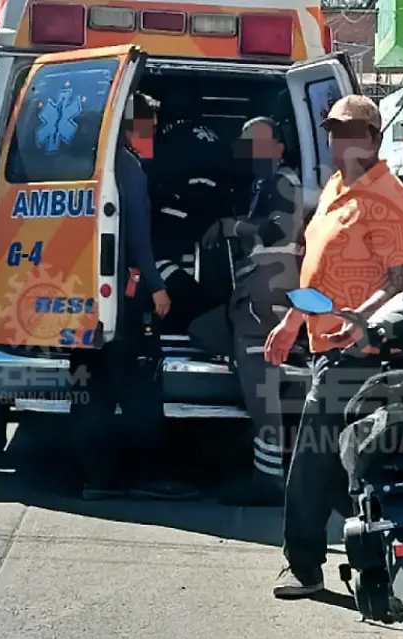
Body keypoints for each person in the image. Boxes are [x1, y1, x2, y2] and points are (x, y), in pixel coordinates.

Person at [264, 95, 403, 598]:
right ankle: (375, 558)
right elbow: (322, 270)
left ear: (374, 139)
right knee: (336, 460)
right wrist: (292, 321)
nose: (339, 140)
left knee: (314, 457)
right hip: (326, 345)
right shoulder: (337, 187)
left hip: (363, 352)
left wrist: (361, 319)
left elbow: (400, 276)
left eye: (351, 132)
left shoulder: (389, 195)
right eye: (333, 131)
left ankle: (305, 565)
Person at [70, 92, 199, 501]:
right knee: (142, 388)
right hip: (125, 299)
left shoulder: (82, 166)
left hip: (77, 298)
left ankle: (96, 478)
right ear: (131, 125)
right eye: (150, 125)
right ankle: (150, 477)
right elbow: (138, 235)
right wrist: (158, 287)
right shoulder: (127, 166)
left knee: (89, 388)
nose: (155, 133)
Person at [203, 116, 305, 506]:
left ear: (279, 146)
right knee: (207, 332)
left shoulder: (282, 181)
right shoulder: (266, 182)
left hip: (267, 291)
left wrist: (235, 227)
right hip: (257, 292)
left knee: (261, 389)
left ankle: (269, 477)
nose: (251, 152)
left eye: (258, 143)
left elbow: (279, 231)